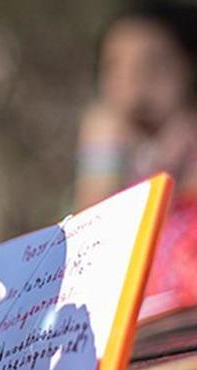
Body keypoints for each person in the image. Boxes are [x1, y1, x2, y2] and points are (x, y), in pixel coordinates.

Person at [76, 1, 197, 307]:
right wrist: (101, 159)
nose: (133, 81)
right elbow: (92, 254)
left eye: (153, 64)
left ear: (188, 67)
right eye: (114, 66)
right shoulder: (110, 151)